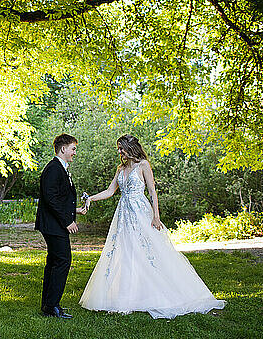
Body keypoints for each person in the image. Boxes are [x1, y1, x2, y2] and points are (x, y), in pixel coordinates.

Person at [79, 134, 225, 319]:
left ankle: (159, 293)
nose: (119, 152)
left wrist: (156, 216)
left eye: (121, 148)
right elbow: (110, 191)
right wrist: (91, 198)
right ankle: (126, 297)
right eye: (118, 149)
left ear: (130, 148)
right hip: (124, 215)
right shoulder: (120, 168)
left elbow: (152, 191)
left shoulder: (143, 166)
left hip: (141, 212)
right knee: (124, 252)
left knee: (147, 251)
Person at [35, 133, 87, 319]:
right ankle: (52, 306)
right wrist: (67, 221)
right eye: (73, 148)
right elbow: (51, 198)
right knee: (63, 261)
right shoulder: (54, 168)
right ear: (63, 148)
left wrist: (76, 212)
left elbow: (59, 198)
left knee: (54, 262)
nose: (75, 152)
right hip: (54, 225)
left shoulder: (60, 168)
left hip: (54, 223)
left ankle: (49, 305)